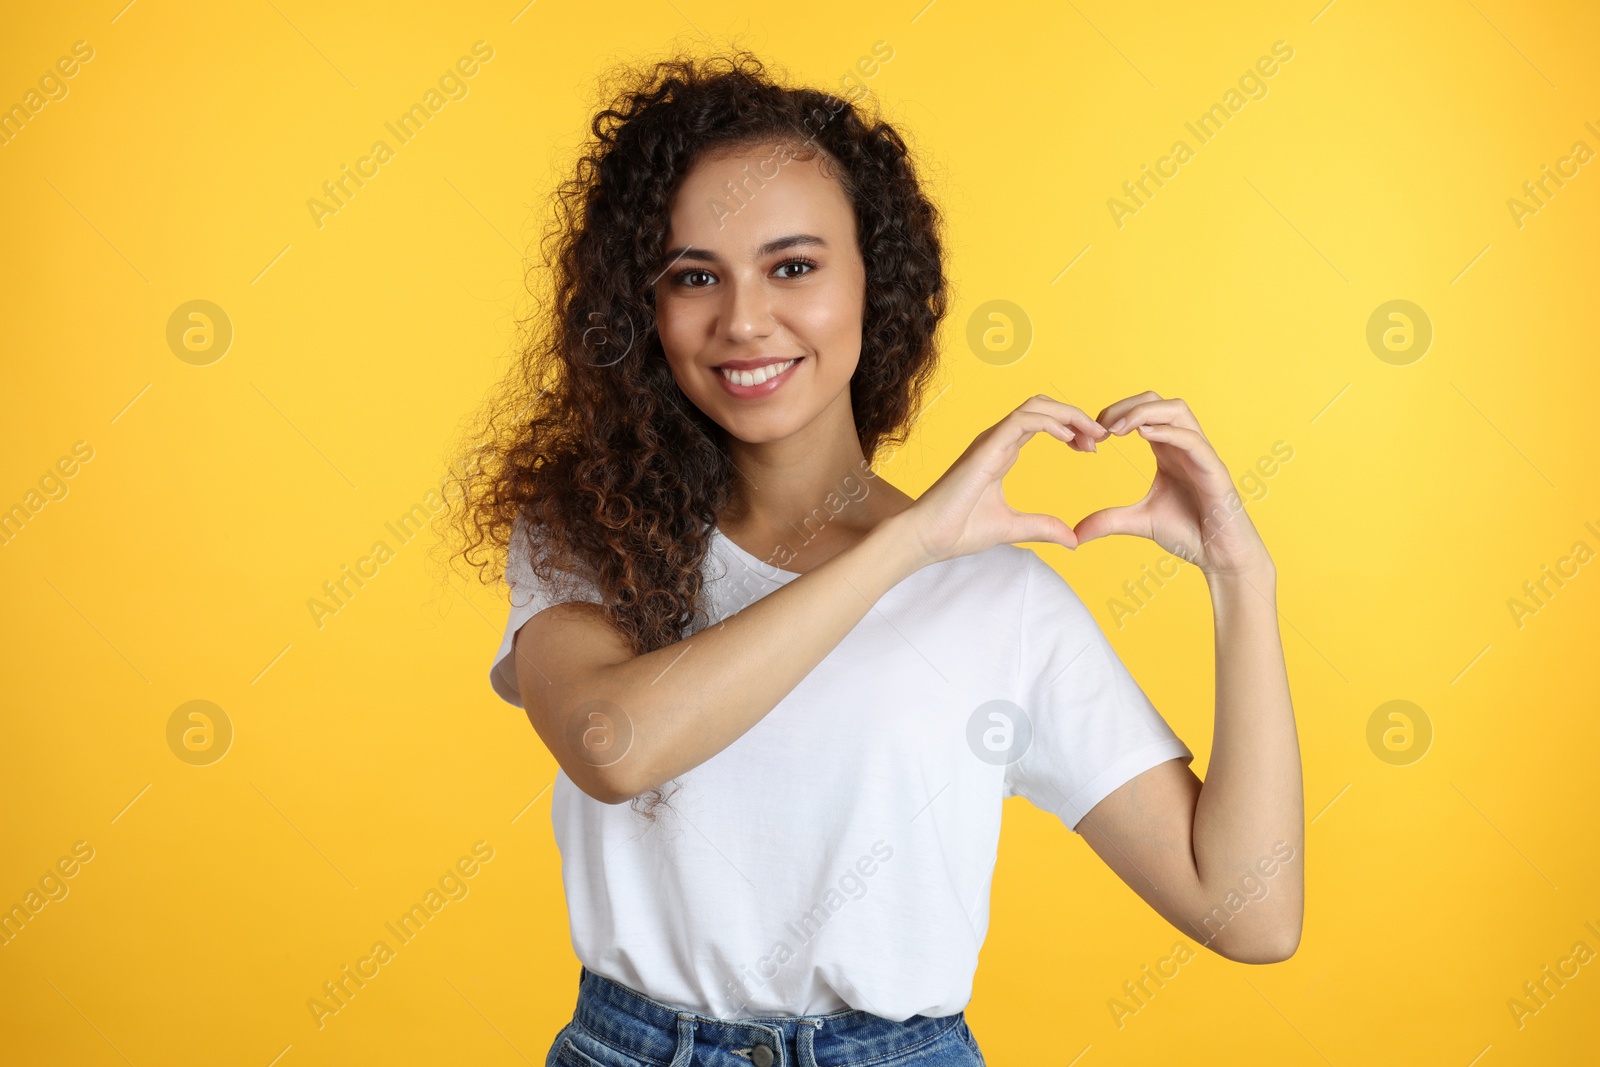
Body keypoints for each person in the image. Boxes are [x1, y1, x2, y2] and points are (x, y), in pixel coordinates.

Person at [451, 50, 1302, 1067]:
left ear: (876, 284)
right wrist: (906, 544)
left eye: (794, 265)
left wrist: (1242, 580)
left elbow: (1247, 912)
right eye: (692, 276)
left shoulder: (999, 601)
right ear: (642, 308)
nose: (745, 319)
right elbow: (611, 744)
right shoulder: (588, 532)